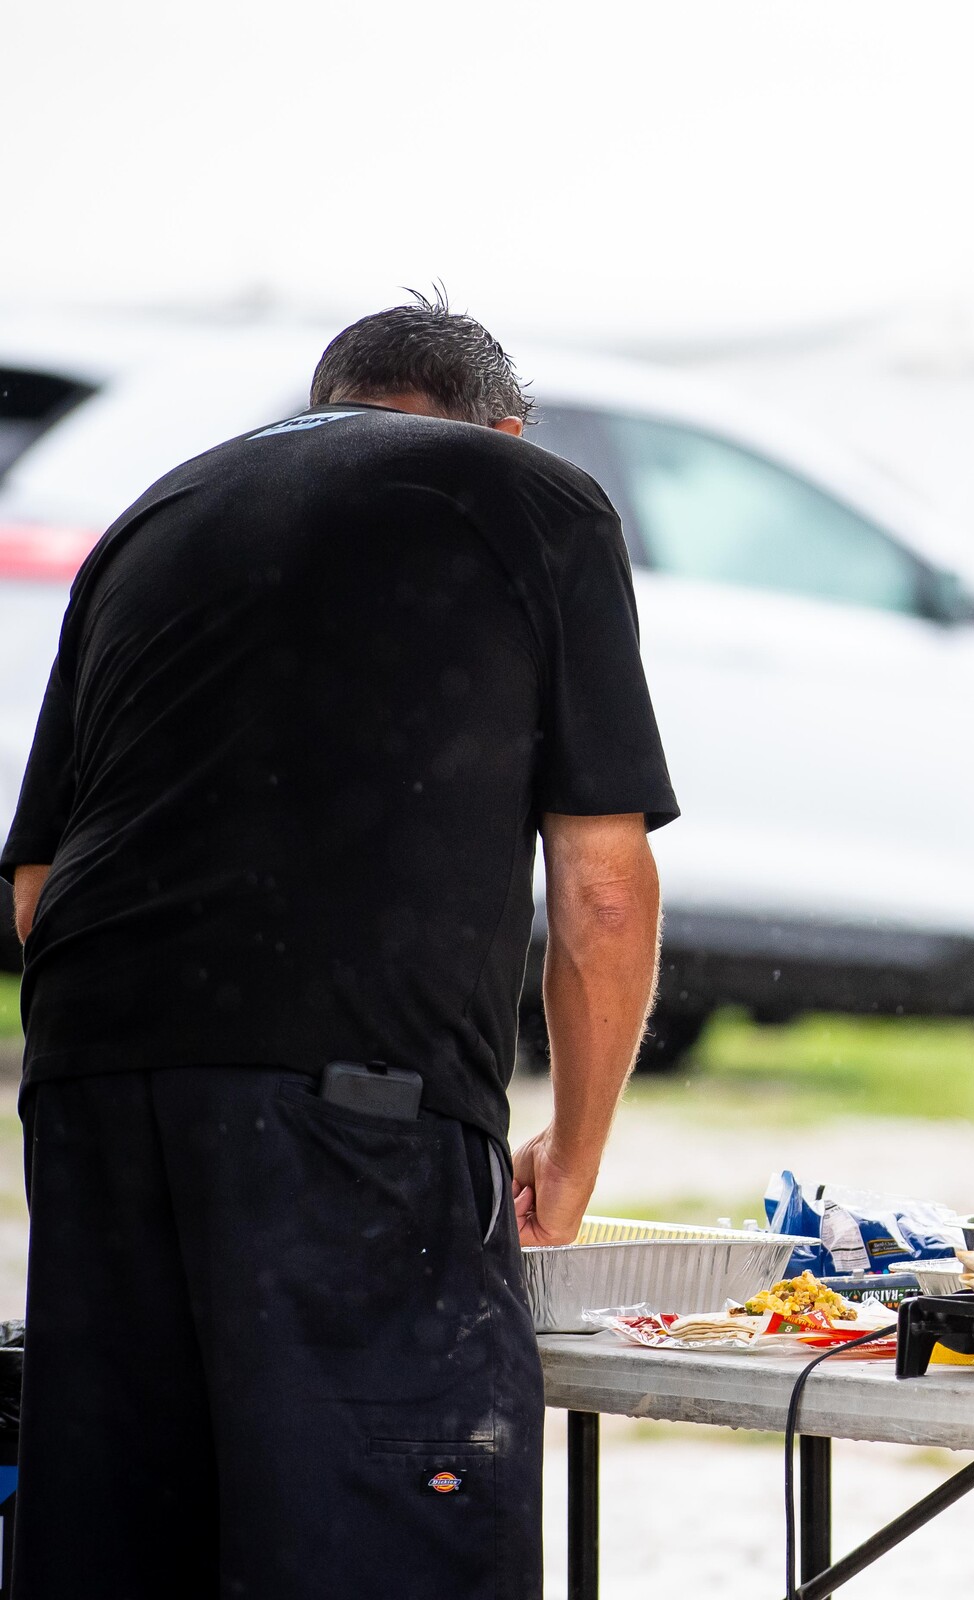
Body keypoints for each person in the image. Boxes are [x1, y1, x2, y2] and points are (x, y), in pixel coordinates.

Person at [1, 294, 678, 1598]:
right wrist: (574, 1152)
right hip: (357, 1108)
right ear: (508, 426)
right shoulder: (536, 497)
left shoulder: (159, 514)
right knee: (389, 1537)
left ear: (328, 403)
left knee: (131, 1546)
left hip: (93, 1102)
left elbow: (35, 885)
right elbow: (603, 891)